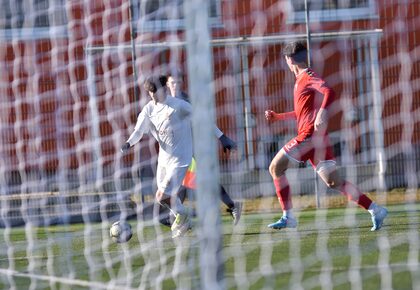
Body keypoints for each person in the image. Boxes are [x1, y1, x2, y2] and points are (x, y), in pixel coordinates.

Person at [265, 41, 388, 231]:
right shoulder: (300, 80)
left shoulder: (307, 76)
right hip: (318, 140)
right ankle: (375, 209)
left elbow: (329, 91)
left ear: (289, 60)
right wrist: (278, 116)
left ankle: (288, 217)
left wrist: (322, 111)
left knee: (275, 167)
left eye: (286, 58)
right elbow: (301, 113)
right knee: (333, 182)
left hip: (308, 137)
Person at [165, 72, 243, 225]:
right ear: (168, 85)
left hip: (194, 149)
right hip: (180, 150)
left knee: (196, 181)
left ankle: (178, 217)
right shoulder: (166, 103)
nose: (176, 85)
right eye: (173, 83)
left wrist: (222, 137)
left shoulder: (187, 101)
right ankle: (177, 216)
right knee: (182, 182)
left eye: (178, 82)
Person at [121, 75, 193, 238]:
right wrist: (128, 143)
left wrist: (222, 138)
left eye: (155, 91)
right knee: (161, 197)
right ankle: (183, 218)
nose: (152, 95)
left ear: (164, 89)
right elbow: (138, 131)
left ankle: (181, 217)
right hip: (164, 160)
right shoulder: (148, 109)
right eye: (150, 92)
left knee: (163, 195)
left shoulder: (178, 106)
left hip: (181, 158)